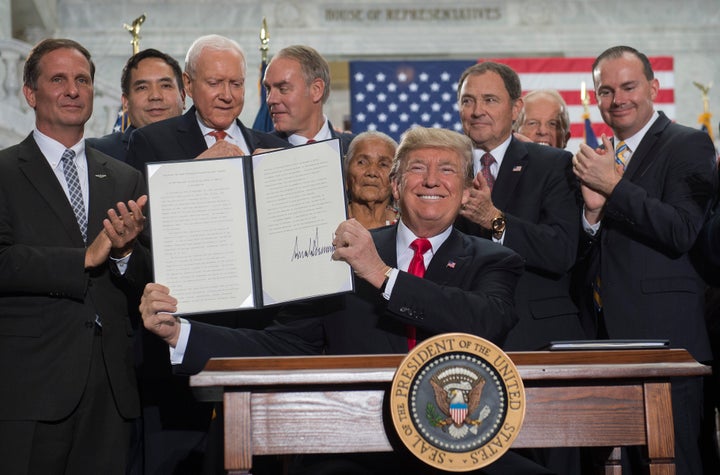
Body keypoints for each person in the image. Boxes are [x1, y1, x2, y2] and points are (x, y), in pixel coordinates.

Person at [140, 126, 555, 474]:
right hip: (353, 442)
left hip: (459, 442)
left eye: (447, 170)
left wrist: (381, 276)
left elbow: (485, 323)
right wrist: (181, 333)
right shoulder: (341, 254)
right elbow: (284, 345)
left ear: (466, 189)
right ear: (395, 185)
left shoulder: (495, 259)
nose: (432, 180)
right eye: (417, 169)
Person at [0, 38, 150, 475]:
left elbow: (147, 275)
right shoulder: (5, 173)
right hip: (31, 388)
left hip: (111, 390)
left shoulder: (123, 176)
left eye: (82, 80)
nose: (72, 90)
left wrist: (123, 253)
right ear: (31, 93)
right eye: (58, 79)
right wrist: (83, 258)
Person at [573, 45, 718, 475]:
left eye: (629, 86)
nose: (617, 99)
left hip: (667, 343)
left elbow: (681, 231)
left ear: (653, 87)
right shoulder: (599, 157)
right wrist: (593, 215)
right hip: (604, 344)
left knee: (675, 463)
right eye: (605, 90)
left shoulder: (688, 143)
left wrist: (616, 188)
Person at [454, 61, 585, 475]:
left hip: (538, 343)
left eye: (489, 100)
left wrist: (496, 220)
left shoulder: (552, 164)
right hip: (466, 350)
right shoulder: (444, 164)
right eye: (468, 100)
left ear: (516, 108)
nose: (477, 110)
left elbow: (562, 251)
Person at [126, 34, 289, 173]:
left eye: (236, 84)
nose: (227, 95)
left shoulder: (278, 148)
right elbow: (147, 207)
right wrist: (198, 168)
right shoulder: (150, 142)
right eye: (214, 83)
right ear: (188, 84)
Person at [87, 48, 186, 162]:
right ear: (126, 102)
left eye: (165, 86)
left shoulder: (206, 148)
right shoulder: (98, 154)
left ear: (183, 97)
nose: (155, 96)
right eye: (142, 87)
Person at [263, 44, 355, 152]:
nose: (271, 99)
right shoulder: (255, 154)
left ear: (316, 90)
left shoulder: (356, 150)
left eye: (283, 89)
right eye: (268, 89)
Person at [344, 130, 399, 229]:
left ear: (395, 179)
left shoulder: (409, 227)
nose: (372, 172)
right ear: (346, 170)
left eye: (383, 164)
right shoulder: (327, 222)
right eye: (362, 162)